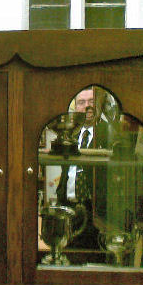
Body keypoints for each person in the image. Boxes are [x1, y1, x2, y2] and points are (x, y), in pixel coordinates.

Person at [56, 86, 109, 249]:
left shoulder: (108, 133)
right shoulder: (69, 134)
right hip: (69, 208)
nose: (87, 106)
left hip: (97, 212)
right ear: (76, 107)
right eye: (82, 102)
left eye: (91, 101)